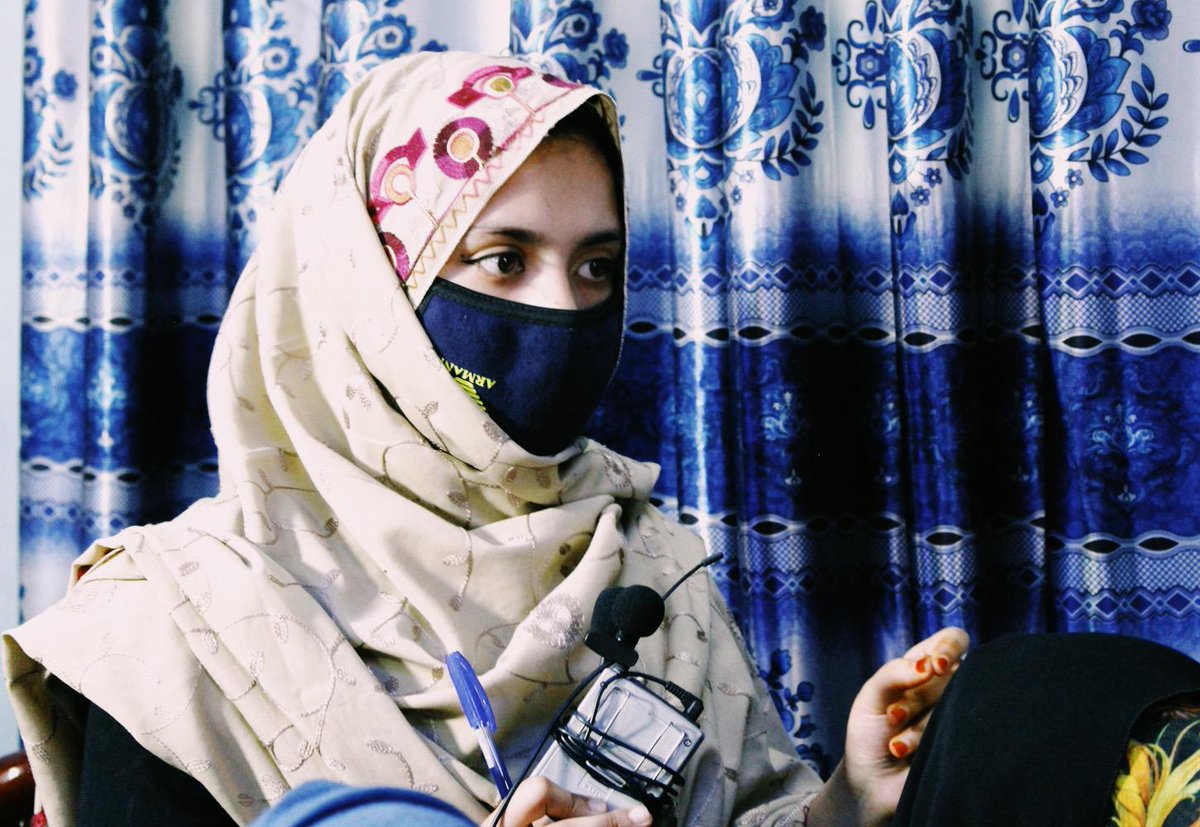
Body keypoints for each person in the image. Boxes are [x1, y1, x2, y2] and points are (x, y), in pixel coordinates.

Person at [2, 52, 967, 827]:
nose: (565, 308)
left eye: (597, 266)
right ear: (368, 294)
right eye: (503, 260)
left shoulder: (651, 567)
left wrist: (846, 800)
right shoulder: (168, 626)